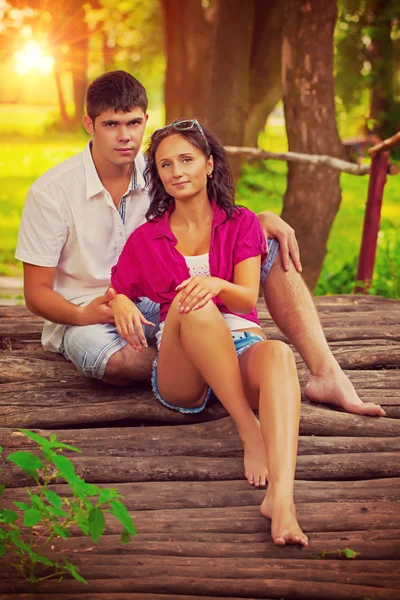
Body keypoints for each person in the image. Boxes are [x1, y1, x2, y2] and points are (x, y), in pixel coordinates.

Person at [16, 70, 385, 418]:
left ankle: (326, 372)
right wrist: (84, 315)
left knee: (269, 243)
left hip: (163, 300)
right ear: (89, 125)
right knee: (115, 362)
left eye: (133, 123)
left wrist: (258, 219)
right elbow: (36, 293)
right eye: (111, 124)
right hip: (90, 314)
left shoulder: (163, 169)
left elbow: (213, 219)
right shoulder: (52, 193)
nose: (125, 136)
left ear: (145, 120)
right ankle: (233, 368)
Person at [109, 119, 308, 546]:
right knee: (191, 302)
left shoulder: (242, 223)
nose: (177, 172)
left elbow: (245, 298)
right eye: (165, 165)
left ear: (209, 164)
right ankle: (248, 430)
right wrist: (119, 300)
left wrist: (218, 284)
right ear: (157, 175)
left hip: (238, 343)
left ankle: (282, 501)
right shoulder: (146, 239)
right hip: (184, 366)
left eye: (186, 159)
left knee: (277, 353)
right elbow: (114, 290)